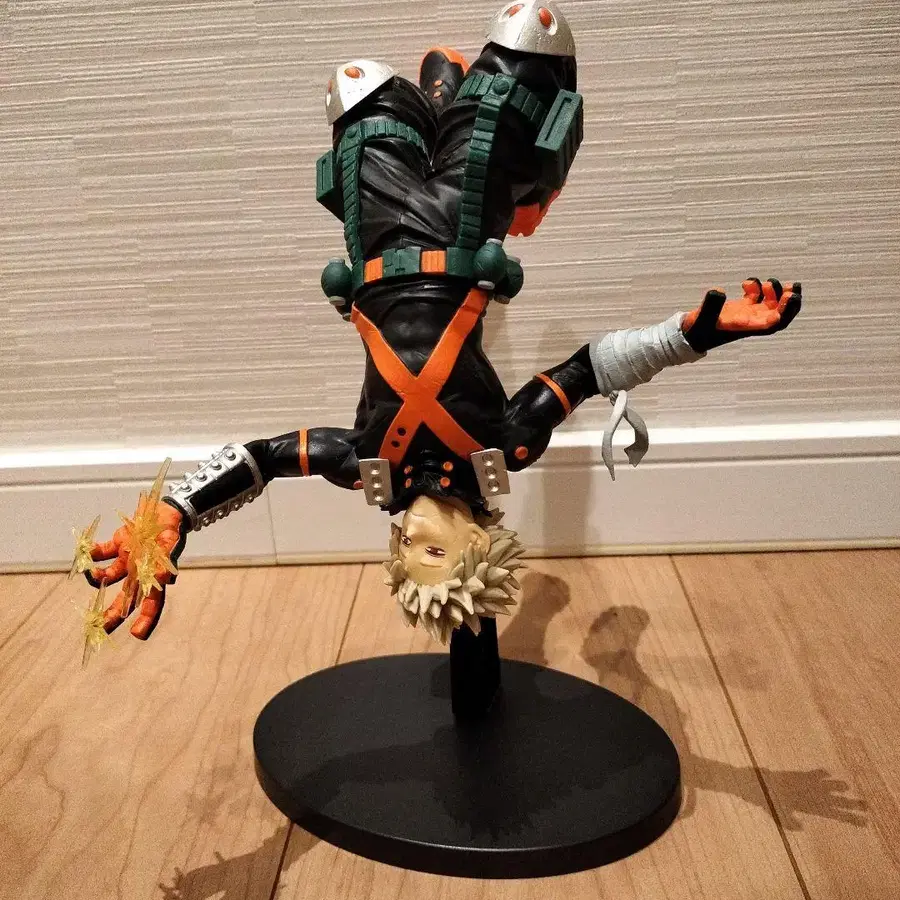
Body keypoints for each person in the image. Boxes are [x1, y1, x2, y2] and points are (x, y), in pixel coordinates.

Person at [83, 1, 801, 644]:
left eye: (406, 552)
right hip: (467, 221)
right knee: (532, 33)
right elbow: (588, 370)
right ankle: (488, 143)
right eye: (434, 553)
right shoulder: (505, 443)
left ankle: (433, 104)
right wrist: (691, 335)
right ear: (478, 547)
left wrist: (178, 508)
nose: (413, 537)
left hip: (380, 235)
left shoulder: (368, 461)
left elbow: (266, 458)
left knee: (357, 87)